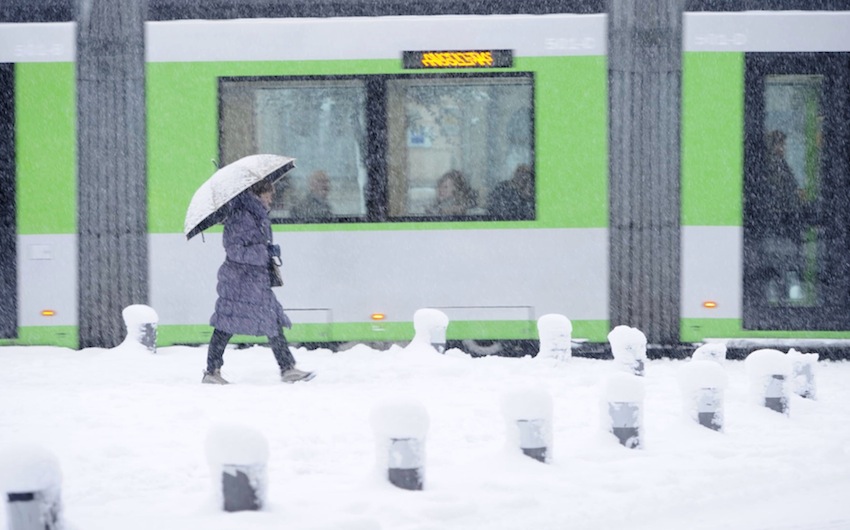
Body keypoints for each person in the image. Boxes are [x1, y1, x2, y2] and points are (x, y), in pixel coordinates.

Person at [202, 178, 314, 384]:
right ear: (259, 194)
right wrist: (263, 253)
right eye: (269, 194)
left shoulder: (254, 214)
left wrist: (265, 251)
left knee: (269, 320)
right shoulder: (243, 216)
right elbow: (234, 249)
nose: (272, 198)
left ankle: (287, 368)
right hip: (240, 282)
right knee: (226, 324)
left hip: (253, 281)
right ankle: (212, 371)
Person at [749, 130, 807, 303]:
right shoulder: (775, 167)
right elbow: (783, 197)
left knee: (778, 264)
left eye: (783, 145)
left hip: (779, 227)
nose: (783, 148)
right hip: (780, 226)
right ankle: (781, 296)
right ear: (773, 146)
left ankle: (777, 294)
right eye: (780, 145)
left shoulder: (778, 165)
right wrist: (797, 203)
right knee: (783, 263)